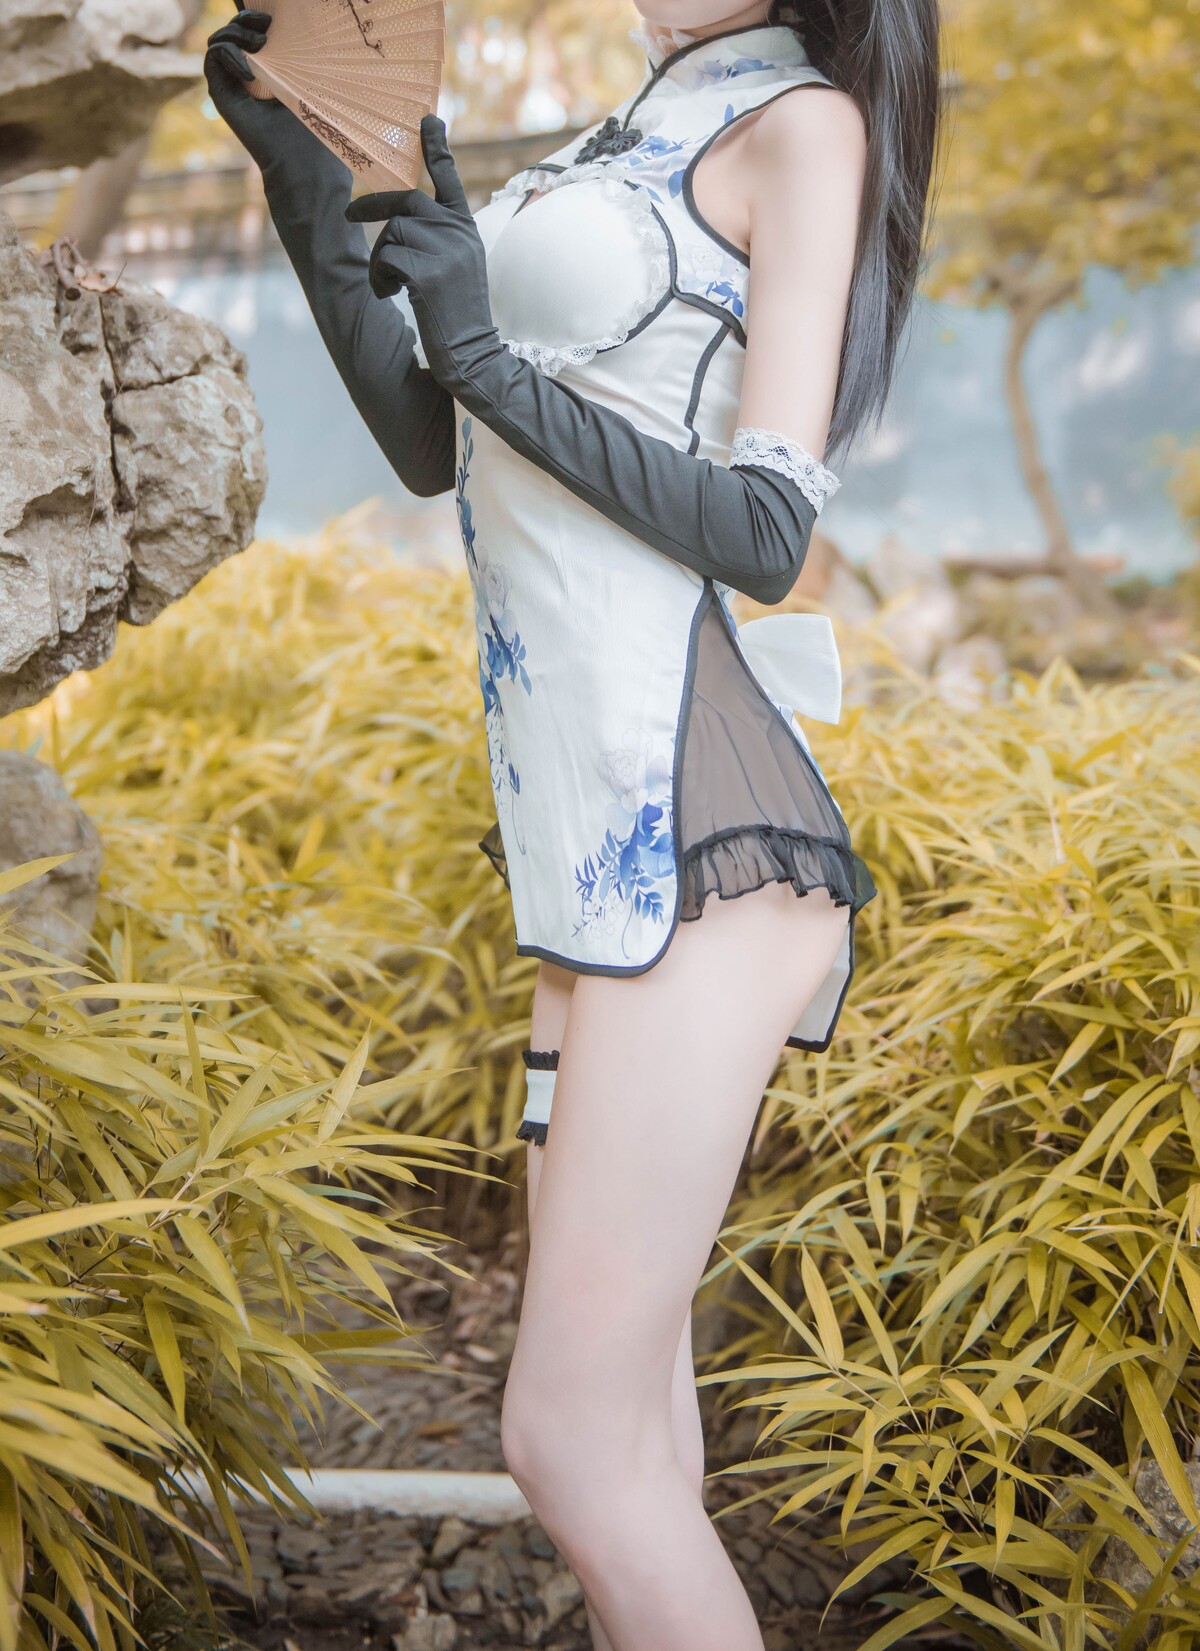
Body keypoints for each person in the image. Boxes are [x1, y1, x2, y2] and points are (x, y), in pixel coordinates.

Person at [206, 0, 940, 1641]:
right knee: (635, 1437)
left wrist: (480, 351)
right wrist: (307, 178)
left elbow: (766, 531)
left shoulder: (802, 125)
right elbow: (432, 442)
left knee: (567, 1442)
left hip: (698, 850)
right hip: (592, 866)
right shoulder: (628, 129)